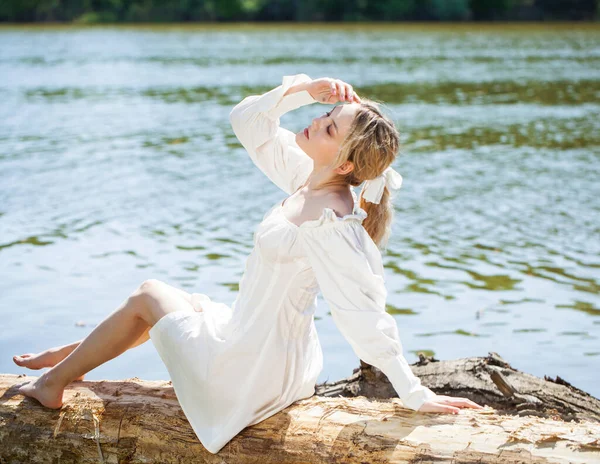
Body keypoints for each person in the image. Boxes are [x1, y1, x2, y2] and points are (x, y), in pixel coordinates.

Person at [13, 73, 484, 454]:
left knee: (148, 295)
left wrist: (414, 391)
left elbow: (363, 315)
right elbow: (246, 121)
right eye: (324, 114)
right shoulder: (309, 178)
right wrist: (301, 90)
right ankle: (69, 360)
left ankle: (54, 381)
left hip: (251, 371)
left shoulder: (331, 221)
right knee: (183, 307)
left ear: (344, 163)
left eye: (329, 127)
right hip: (264, 346)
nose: (316, 121)